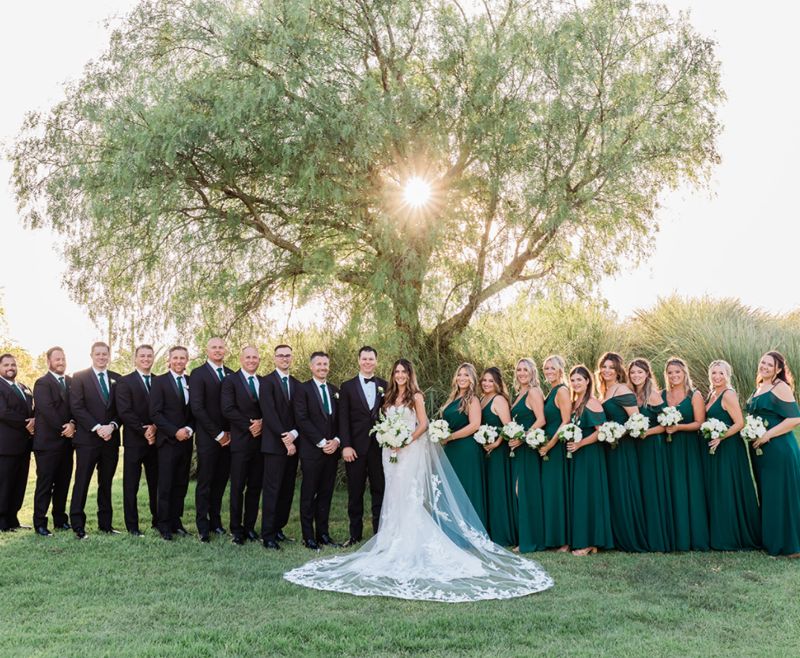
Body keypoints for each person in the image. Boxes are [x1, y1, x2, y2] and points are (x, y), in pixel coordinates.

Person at [284, 358, 553, 602]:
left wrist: (405, 440)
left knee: (409, 494)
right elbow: (380, 422)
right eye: (397, 371)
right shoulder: (387, 395)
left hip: (409, 451)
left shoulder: (417, 396)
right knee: (393, 494)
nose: (400, 375)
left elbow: (423, 424)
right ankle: (390, 538)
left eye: (404, 371)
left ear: (409, 374)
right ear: (393, 374)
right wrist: (388, 438)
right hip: (390, 452)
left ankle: (412, 539)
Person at [746, 351, 800, 556]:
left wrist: (767, 435)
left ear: (778, 369)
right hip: (762, 451)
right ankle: (772, 540)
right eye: (763, 363)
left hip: (779, 449)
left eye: (770, 364)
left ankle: (791, 545)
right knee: (769, 494)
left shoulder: (781, 387)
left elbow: (795, 419)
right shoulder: (760, 387)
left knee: (782, 494)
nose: (765, 367)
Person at [705, 359, 760, 550]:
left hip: (729, 448)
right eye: (714, 373)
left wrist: (721, 436)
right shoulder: (712, 393)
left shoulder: (728, 394)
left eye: (721, 373)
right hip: (715, 447)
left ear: (728, 375)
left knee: (727, 487)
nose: (717, 377)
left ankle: (732, 535)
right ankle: (720, 530)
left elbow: (739, 423)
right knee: (718, 487)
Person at [69, 342, 122, 538]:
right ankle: (77, 525)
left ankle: (105, 525)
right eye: (98, 354)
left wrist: (113, 426)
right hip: (87, 440)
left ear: (109, 356)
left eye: (105, 354)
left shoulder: (117, 379)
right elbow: (77, 407)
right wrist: (98, 427)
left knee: (106, 483)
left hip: (111, 439)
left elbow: (121, 409)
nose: (101, 357)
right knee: (82, 481)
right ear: (91, 355)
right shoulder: (79, 377)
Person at [337, 346, 388, 547]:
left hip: (379, 448)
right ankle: (355, 535)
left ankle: (379, 533)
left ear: (376, 361)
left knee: (380, 490)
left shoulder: (385, 385)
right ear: (359, 361)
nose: (368, 362)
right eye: (364, 359)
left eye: (371, 359)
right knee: (355, 492)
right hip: (355, 449)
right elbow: (343, 419)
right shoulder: (347, 386)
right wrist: (346, 446)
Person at [597, 351, 647, 552]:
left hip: (623, 447)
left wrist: (617, 432)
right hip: (608, 447)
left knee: (623, 488)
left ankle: (629, 536)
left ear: (618, 371)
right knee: (613, 490)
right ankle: (615, 536)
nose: (607, 370)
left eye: (611, 367)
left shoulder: (622, 389)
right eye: (604, 366)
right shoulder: (603, 392)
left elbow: (636, 421)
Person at [293, 351, 341, 550]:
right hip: (312, 451)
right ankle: (308, 536)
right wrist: (322, 442)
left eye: (325, 364)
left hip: (332, 451)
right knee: (309, 493)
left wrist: (337, 441)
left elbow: (340, 420)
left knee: (326, 493)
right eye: (319, 364)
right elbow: (302, 419)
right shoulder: (302, 390)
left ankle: (323, 534)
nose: (322, 367)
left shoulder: (334, 390)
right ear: (311, 367)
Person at [190, 338, 234, 542]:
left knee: (221, 481)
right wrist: (218, 434)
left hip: (230, 438)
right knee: (205, 482)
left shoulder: (231, 374)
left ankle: (216, 522)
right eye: (214, 347)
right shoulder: (198, 374)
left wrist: (229, 433)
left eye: (221, 347)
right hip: (209, 438)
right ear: (207, 350)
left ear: (225, 350)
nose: (218, 350)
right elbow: (197, 408)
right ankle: (203, 526)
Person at [662, 357, 709, 551]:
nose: (674, 376)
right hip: (667, 447)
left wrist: (678, 427)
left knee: (689, 488)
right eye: (670, 372)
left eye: (677, 372)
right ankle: (673, 535)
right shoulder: (661, 394)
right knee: (670, 487)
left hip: (688, 447)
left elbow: (699, 422)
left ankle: (693, 537)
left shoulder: (694, 395)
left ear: (684, 373)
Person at [566, 365, 613, 556]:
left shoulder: (592, 403)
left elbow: (600, 431)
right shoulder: (574, 402)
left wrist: (580, 444)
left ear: (587, 381)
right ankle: (587, 541)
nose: (576, 383)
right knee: (580, 496)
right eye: (573, 380)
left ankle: (590, 542)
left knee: (589, 496)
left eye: (580, 379)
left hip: (590, 455)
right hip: (577, 455)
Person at [628, 358, 674, 552]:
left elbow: (667, 424)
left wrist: (647, 432)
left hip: (651, 447)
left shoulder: (653, 395)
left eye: (640, 372)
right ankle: (641, 534)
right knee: (638, 489)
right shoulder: (630, 395)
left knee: (651, 489)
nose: (636, 376)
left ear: (647, 374)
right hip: (634, 447)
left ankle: (656, 538)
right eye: (633, 372)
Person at [150, 345, 194, 540]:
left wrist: (189, 430)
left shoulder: (191, 381)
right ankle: (164, 524)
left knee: (181, 484)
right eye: (175, 358)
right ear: (169, 360)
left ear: (187, 360)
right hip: (168, 442)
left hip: (186, 441)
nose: (178, 361)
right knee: (166, 485)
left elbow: (194, 411)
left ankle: (177, 521)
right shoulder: (159, 382)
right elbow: (155, 413)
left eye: (182, 358)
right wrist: (174, 431)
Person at [259, 344, 301, 549]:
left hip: (293, 444)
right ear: (274, 358)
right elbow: (269, 413)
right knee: (272, 489)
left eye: (288, 356)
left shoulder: (297, 384)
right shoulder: (266, 382)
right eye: (281, 356)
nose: (285, 359)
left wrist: (293, 435)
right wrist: (285, 438)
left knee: (287, 489)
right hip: (274, 445)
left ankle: (279, 528)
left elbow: (300, 414)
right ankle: (267, 534)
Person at [221, 346, 264, 545]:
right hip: (240, 441)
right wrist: (249, 425)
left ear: (259, 360)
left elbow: (270, 408)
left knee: (255, 487)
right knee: (237, 487)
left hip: (261, 443)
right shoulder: (230, 381)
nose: (251, 360)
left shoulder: (263, 382)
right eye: (248, 357)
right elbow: (228, 408)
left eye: (255, 357)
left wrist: (262, 423)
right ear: (241, 359)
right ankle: (236, 530)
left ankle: (250, 527)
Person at [116, 344, 159, 536]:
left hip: (157, 441)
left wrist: (155, 428)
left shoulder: (159, 381)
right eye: (142, 356)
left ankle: (158, 521)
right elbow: (125, 412)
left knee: (156, 484)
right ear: (136, 359)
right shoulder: (125, 382)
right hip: (135, 440)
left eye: (149, 356)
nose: (146, 359)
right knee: (131, 485)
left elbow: (164, 409)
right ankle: (132, 526)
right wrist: (144, 430)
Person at [31, 347, 75, 535]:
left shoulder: (72, 382)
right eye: (57, 359)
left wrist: (73, 423)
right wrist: (64, 428)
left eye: (63, 359)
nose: (61, 362)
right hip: (47, 444)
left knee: (63, 482)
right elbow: (47, 410)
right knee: (45, 484)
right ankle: (40, 523)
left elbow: (77, 406)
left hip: (67, 444)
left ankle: (60, 519)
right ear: (49, 362)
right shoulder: (42, 383)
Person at [440, 363, 487, 528]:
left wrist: (450, 437)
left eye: (466, 375)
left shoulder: (472, 399)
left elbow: (474, 425)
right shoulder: (452, 398)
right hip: (451, 450)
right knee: (452, 488)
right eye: (459, 374)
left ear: (472, 378)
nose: (462, 378)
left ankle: (469, 529)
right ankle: (452, 527)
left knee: (465, 488)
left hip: (466, 449)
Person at [510, 358, 546, 553]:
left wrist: (522, 437)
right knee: (519, 491)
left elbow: (541, 420)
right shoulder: (519, 393)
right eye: (519, 370)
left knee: (524, 490)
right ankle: (525, 537)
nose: (521, 373)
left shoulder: (533, 392)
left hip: (528, 447)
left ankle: (532, 540)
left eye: (525, 370)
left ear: (532, 372)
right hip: (519, 447)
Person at [479, 367, 517, 547]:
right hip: (486, 452)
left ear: (497, 383)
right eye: (484, 380)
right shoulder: (481, 399)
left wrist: (496, 443)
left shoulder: (499, 399)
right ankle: (491, 531)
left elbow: (508, 426)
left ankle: (503, 533)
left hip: (498, 452)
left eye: (490, 381)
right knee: (490, 491)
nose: (487, 384)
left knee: (498, 490)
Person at [0, 353, 34, 532]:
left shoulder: (23, 387)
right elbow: (3, 412)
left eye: (13, 364)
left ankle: (13, 519)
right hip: (5, 446)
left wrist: (34, 421)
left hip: (24, 445)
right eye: (6, 365)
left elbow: (33, 409)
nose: (10, 368)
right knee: (4, 484)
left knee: (19, 484)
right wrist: (26, 423)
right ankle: (2, 522)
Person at [540, 355, 571, 551]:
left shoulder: (562, 391)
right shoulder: (550, 391)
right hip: (547, 446)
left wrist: (550, 444)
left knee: (559, 490)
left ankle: (565, 541)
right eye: (546, 369)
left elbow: (566, 420)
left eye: (552, 368)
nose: (549, 371)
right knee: (551, 491)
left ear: (560, 369)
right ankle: (553, 537)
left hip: (557, 446)